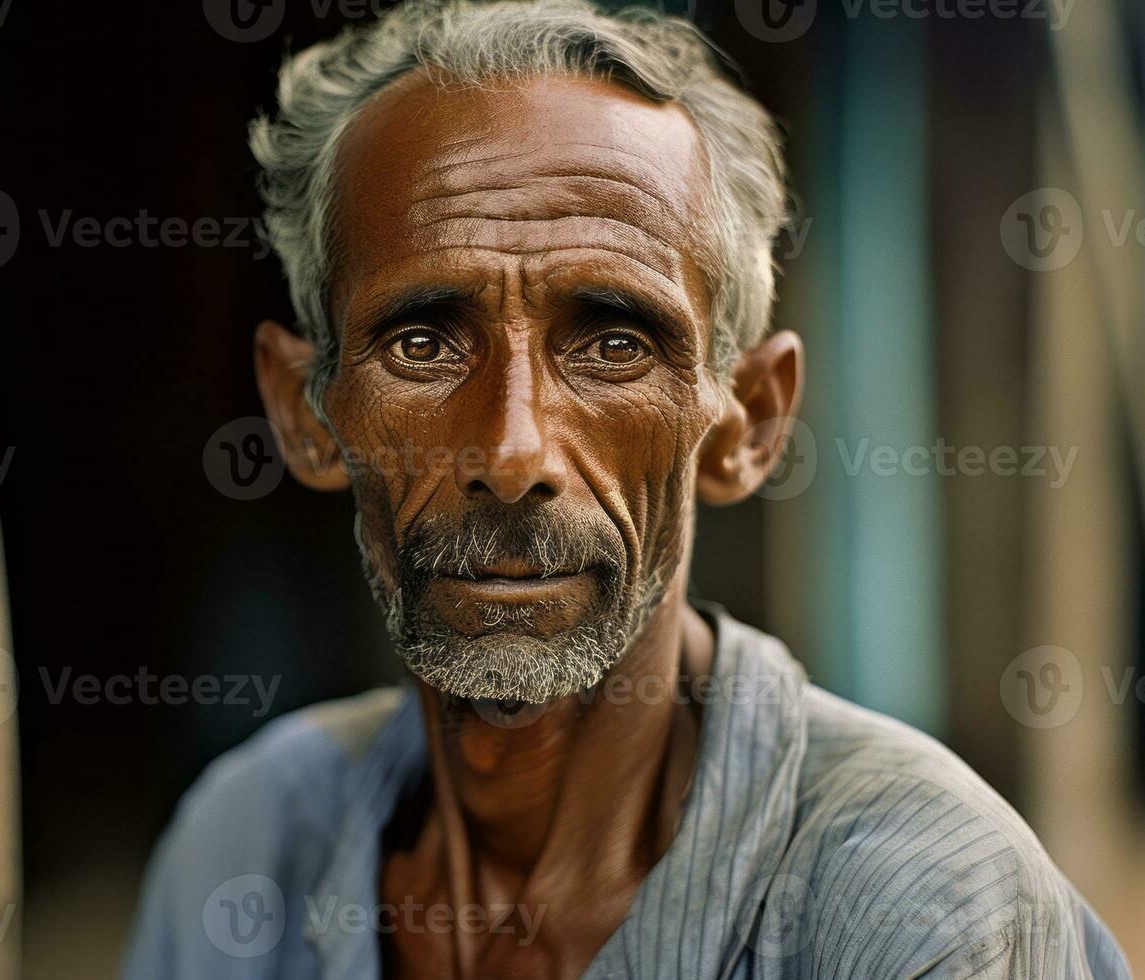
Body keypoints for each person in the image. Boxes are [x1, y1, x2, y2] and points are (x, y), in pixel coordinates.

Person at [125, 1, 1131, 976]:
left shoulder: (922, 913)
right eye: (423, 343)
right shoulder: (249, 847)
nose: (513, 451)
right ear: (305, 411)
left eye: (612, 344)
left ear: (746, 421)